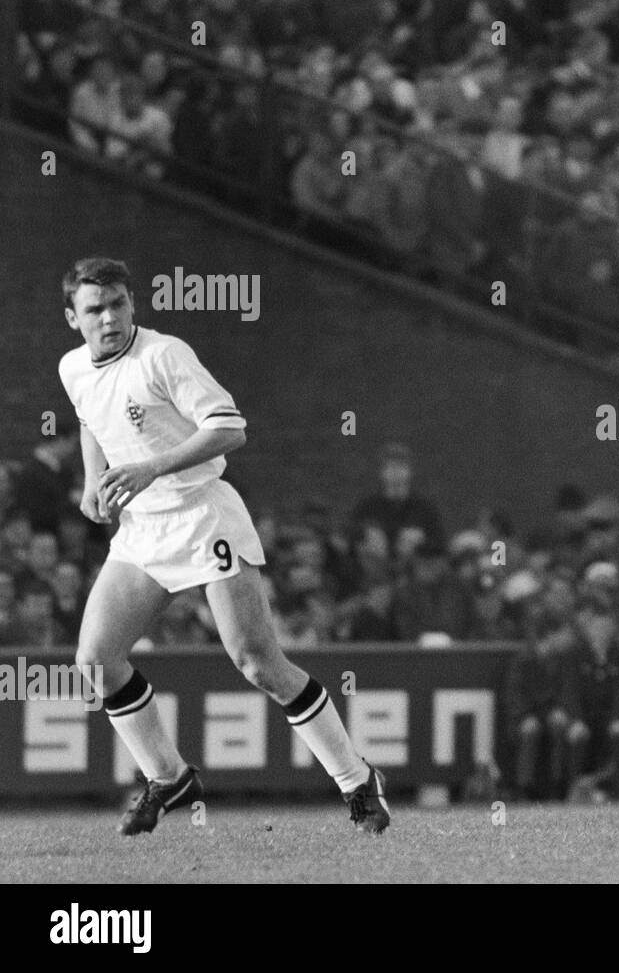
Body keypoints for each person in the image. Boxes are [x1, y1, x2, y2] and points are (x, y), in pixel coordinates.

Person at [58, 258, 389, 835]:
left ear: (133, 304)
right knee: (95, 661)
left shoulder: (163, 356)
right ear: (73, 319)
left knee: (257, 662)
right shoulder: (72, 368)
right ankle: (168, 777)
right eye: (95, 309)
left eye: (118, 304)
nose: (109, 318)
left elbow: (230, 428)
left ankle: (356, 780)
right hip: (142, 531)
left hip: (201, 515)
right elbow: (90, 418)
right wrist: (94, 480)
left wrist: (150, 467)